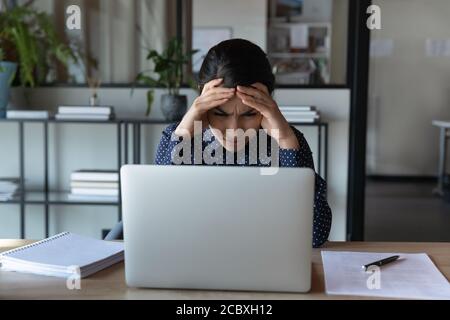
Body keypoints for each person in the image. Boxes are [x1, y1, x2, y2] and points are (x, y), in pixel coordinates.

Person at [155, 39, 331, 247]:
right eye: (219, 113)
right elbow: (159, 223)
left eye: (249, 113)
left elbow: (314, 236)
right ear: (203, 103)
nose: (234, 128)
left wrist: (285, 139)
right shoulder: (177, 137)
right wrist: (185, 133)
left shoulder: (287, 142)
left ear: (268, 105)